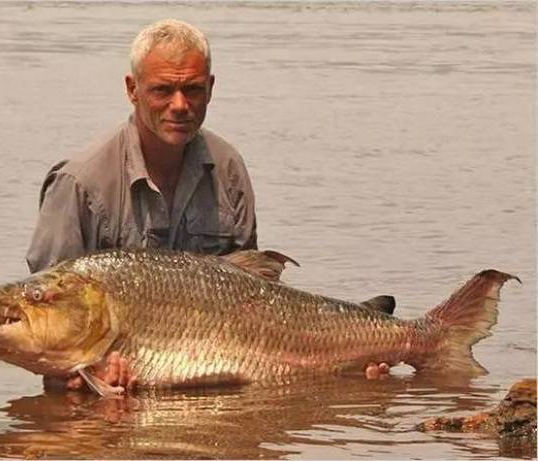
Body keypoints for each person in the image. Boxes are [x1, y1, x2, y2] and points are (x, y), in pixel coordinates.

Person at [26, 19, 389, 392]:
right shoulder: (78, 184)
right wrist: (81, 378)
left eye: (193, 90)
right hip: (109, 385)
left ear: (211, 88)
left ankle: (382, 338)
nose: (180, 105)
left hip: (221, 369)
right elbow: (50, 323)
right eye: (163, 90)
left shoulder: (227, 165)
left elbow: (254, 291)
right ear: (132, 90)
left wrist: (348, 359)